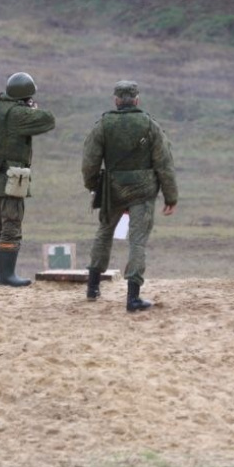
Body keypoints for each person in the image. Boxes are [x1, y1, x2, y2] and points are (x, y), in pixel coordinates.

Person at [81, 81, 179, 312]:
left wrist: (94, 186)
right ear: (137, 100)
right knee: (137, 241)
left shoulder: (103, 125)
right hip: (143, 191)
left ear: (116, 100)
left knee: (104, 233)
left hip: (112, 189)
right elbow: (164, 163)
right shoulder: (150, 125)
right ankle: (132, 297)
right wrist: (170, 197)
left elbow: (89, 162)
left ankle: (93, 287)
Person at [0, 72, 56, 287]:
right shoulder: (16, 114)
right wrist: (31, 109)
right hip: (12, 177)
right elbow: (48, 120)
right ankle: (6, 276)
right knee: (11, 224)